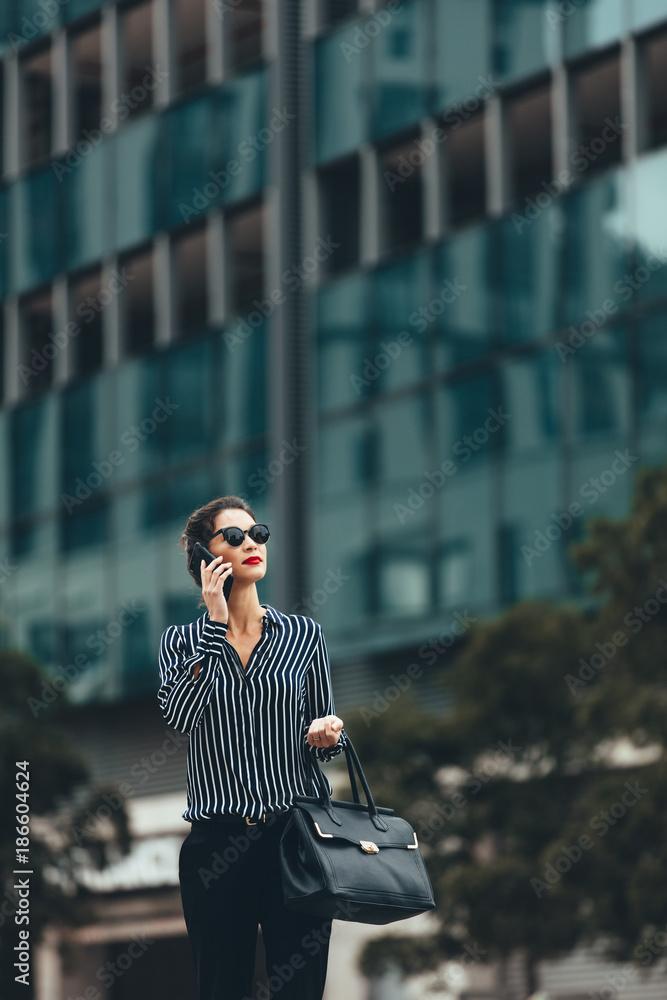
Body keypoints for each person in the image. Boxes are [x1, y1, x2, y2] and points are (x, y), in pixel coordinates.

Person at [157, 495, 348, 1000]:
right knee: (222, 989)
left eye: (258, 533)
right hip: (217, 845)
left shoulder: (303, 635)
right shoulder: (181, 642)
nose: (253, 544)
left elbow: (327, 733)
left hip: (296, 839)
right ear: (206, 558)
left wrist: (329, 733)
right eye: (235, 537)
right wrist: (216, 628)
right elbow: (180, 716)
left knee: (301, 991)